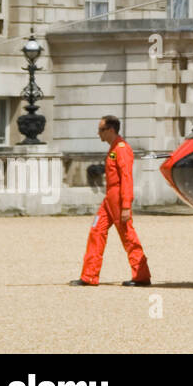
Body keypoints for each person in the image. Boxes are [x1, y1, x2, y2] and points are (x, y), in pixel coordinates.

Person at [70, 116, 152, 286]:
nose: (98, 133)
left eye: (101, 129)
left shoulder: (121, 148)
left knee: (128, 235)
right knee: (96, 231)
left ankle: (141, 275)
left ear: (110, 130)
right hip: (110, 197)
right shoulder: (114, 148)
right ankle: (89, 275)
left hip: (118, 198)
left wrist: (126, 206)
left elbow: (127, 178)